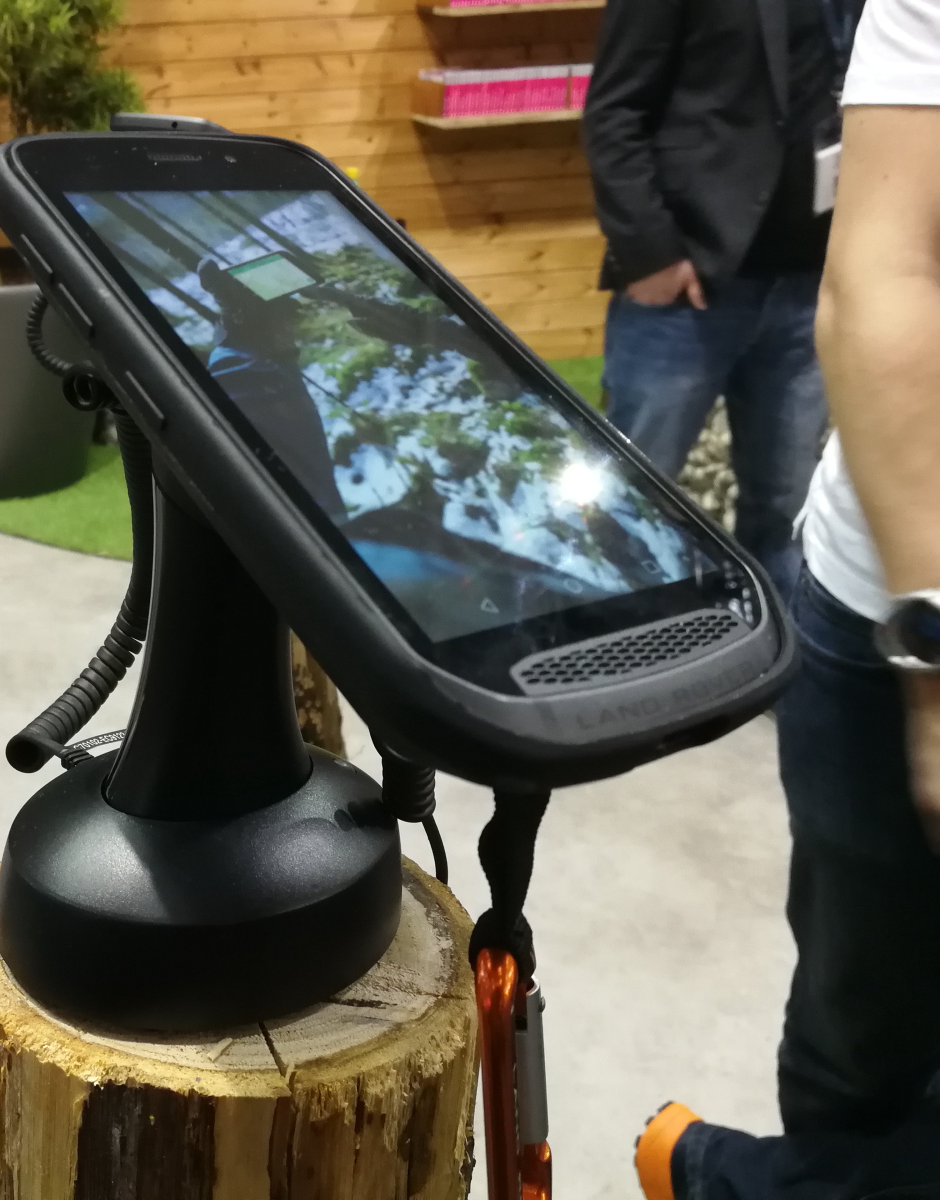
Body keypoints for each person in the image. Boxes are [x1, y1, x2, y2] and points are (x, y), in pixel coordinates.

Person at [632, 0, 940, 1196]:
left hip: (783, 272)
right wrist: (651, 248)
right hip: (699, 278)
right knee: (643, 496)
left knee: (764, 514)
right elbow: (619, 106)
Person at [583, 0, 853, 604]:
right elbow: (614, 112)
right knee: (631, 493)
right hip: (687, 285)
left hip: (811, 282)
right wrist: (648, 253)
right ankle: (605, 634)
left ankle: (778, 648)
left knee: (786, 502)